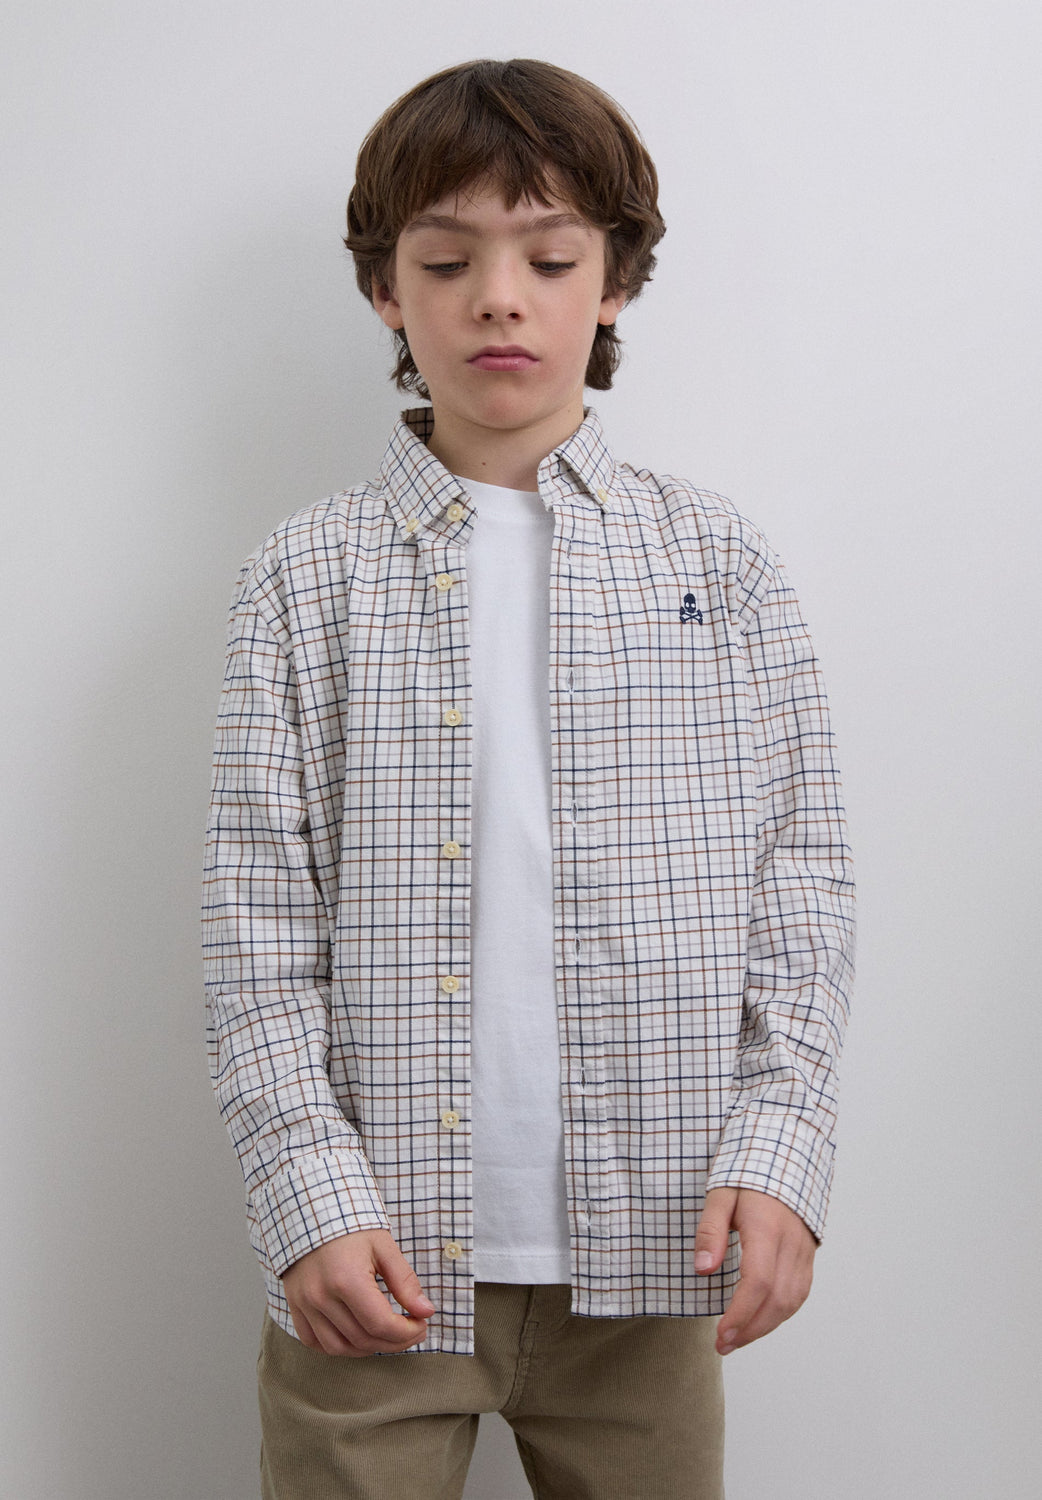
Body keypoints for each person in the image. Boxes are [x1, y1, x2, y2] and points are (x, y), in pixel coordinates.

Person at [203, 57, 855, 1500]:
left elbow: (800, 889)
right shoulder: (305, 579)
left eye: (549, 260)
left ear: (612, 281)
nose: (499, 299)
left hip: (657, 1253)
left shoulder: (717, 566)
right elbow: (255, 931)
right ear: (386, 289)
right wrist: (308, 1197)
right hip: (375, 1261)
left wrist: (780, 1151)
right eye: (448, 262)